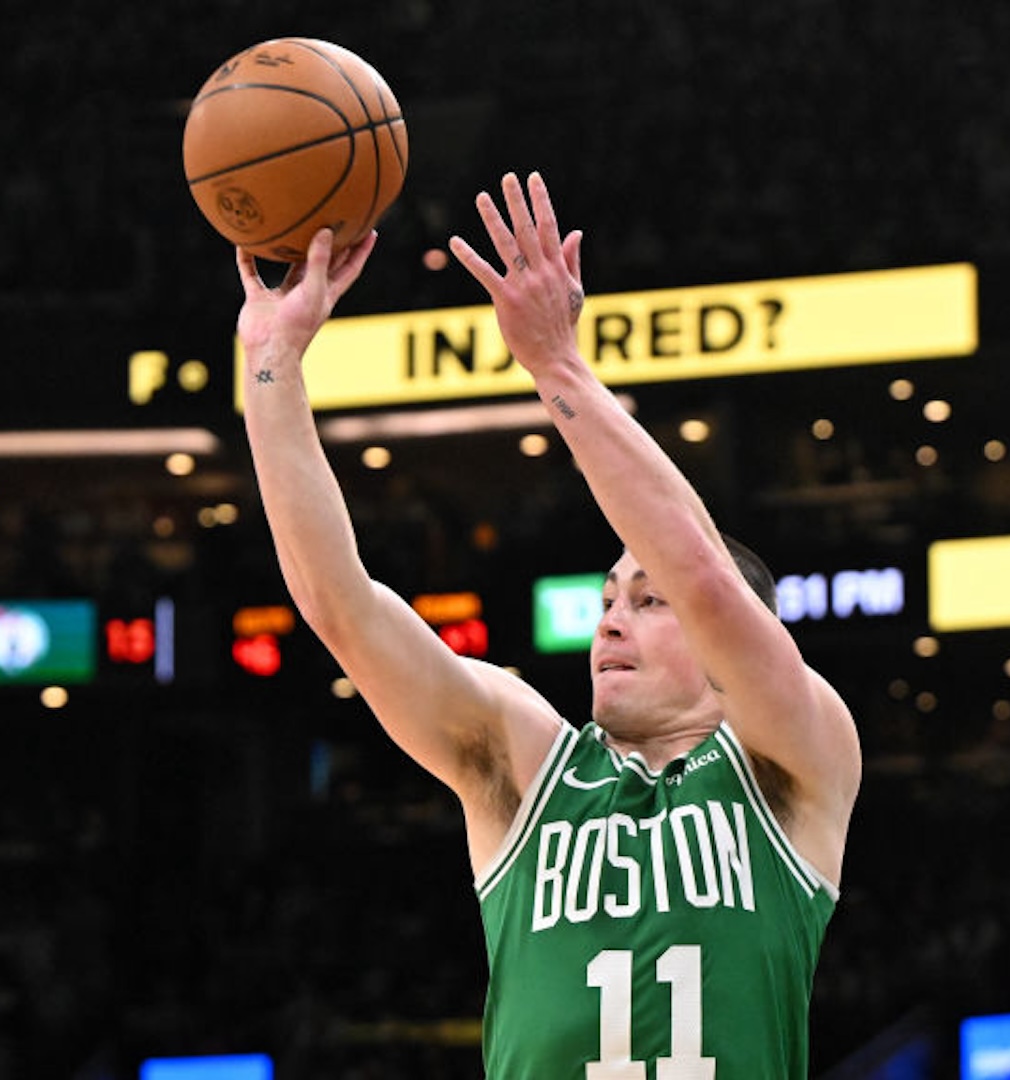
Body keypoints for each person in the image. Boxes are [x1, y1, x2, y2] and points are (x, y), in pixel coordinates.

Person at [235, 172, 862, 1078]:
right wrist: (271, 367)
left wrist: (557, 366)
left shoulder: (793, 764)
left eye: (648, 602)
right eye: (609, 600)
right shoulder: (526, 762)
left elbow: (707, 580)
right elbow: (340, 604)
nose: (612, 622)